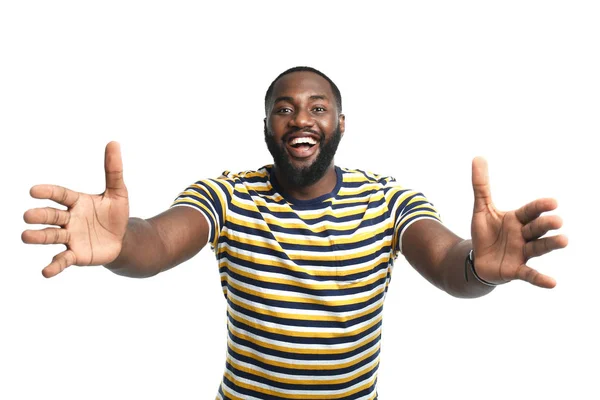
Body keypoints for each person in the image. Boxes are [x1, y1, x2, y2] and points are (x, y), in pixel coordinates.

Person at [22, 66, 567, 400]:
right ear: (266, 128)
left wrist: (480, 267)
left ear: (340, 125)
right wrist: (120, 249)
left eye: (318, 108)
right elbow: (158, 243)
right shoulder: (227, 195)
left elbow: (450, 262)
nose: (300, 119)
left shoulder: (388, 198)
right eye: (283, 110)